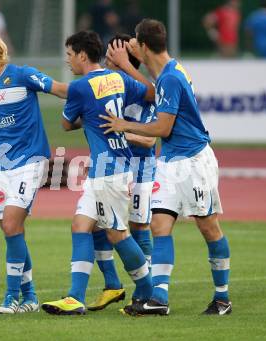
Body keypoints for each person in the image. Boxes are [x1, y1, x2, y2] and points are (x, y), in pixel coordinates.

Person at [100, 19, 232, 316]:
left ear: (144, 46)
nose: (132, 43)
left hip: (193, 162)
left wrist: (124, 125)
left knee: (208, 227)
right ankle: (159, 298)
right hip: (170, 161)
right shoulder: (169, 71)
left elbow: (162, 126)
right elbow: (152, 86)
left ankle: (222, 298)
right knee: (160, 226)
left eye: (135, 40)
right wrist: (128, 65)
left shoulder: (172, 78)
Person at [41, 30, 154, 316]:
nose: (67, 61)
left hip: (110, 171)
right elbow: (151, 92)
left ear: (81, 55)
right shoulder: (117, 78)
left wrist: (88, 118)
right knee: (80, 226)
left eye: (69, 55)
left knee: (117, 234)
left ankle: (147, 292)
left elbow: (67, 125)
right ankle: (75, 297)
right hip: (110, 168)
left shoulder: (80, 87)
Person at [0, 29, 67, 314]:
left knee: (11, 225)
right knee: (12, 231)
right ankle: (31, 297)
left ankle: (11, 298)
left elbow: (62, 90)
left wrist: (89, 102)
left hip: (31, 160)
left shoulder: (23, 75)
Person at [87, 33, 157, 312]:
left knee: (139, 225)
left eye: (114, 55)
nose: (108, 60)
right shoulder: (105, 89)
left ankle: (146, 289)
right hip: (112, 166)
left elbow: (151, 140)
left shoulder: (145, 94)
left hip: (141, 168)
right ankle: (113, 284)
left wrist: (121, 131)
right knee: (96, 225)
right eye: (108, 54)